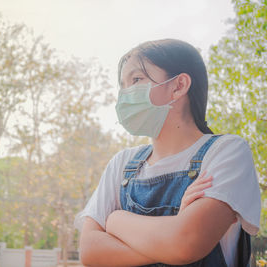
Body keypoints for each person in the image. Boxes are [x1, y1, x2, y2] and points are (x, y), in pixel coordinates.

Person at [74, 39, 261, 267]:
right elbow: (91, 252)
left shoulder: (227, 151)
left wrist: (116, 221)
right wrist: (169, 238)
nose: (125, 94)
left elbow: (185, 243)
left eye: (136, 80)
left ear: (179, 85)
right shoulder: (121, 164)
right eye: (123, 85)